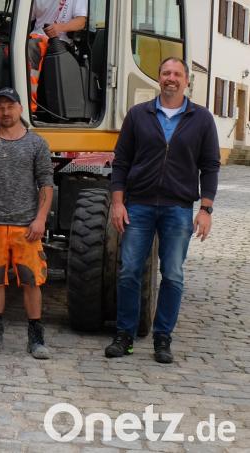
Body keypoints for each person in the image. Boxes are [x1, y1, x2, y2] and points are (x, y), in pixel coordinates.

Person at [105, 57, 220, 364]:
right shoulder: (138, 115)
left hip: (177, 209)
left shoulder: (202, 119)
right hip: (138, 205)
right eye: (166, 73)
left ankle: (162, 337)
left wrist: (206, 208)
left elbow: (210, 166)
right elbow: (121, 162)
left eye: (177, 74)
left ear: (186, 80)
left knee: (173, 274)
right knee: (129, 271)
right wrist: (118, 202)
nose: (171, 78)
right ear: (159, 78)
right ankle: (125, 335)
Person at [0, 87, 54, 359]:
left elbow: (46, 183)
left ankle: (36, 337)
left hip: (26, 226)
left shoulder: (37, 144)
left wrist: (40, 219)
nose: (5, 111)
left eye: (10, 106)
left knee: (31, 281)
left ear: (20, 109)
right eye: (0, 107)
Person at [0, 0, 87, 112]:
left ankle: (26, 106)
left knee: (29, 47)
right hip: (34, 37)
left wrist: (59, 27)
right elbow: (22, 19)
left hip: (58, 40)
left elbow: (81, 22)